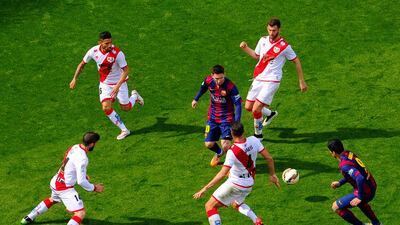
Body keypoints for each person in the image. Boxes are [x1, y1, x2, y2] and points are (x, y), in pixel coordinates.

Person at [193, 122, 280, 225]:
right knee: (236, 204)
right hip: (249, 183)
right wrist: (273, 175)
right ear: (243, 131)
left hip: (235, 183)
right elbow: (269, 158)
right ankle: (256, 220)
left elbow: (221, 174)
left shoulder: (233, 151)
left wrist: (205, 188)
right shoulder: (254, 140)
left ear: (231, 134)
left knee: (209, 206)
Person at [240, 18, 308, 140]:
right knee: (248, 107)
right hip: (259, 77)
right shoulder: (262, 40)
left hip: (272, 80)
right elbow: (256, 56)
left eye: (274, 30)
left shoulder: (285, 47)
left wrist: (301, 81)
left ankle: (258, 135)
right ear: (267, 28)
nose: (272, 33)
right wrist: (245, 48)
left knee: (256, 109)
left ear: (279, 30)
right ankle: (270, 113)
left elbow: (296, 61)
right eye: (270, 30)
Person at [69, 31, 144, 140]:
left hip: (120, 83)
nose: (110, 45)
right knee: (106, 107)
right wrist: (74, 78)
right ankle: (124, 130)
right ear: (100, 42)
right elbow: (82, 65)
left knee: (126, 108)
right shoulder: (93, 51)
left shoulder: (118, 53)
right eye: (106, 43)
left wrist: (117, 86)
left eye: (111, 43)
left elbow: (126, 70)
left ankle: (135, 96)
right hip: (105, 84)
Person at [20, 132, 104, 225]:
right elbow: (81, 181)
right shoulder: (83, 158)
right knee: (80, 213)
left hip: (56, 181)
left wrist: (83, 174)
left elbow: (67, 161)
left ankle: (28, 218)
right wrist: (95, 187)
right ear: (92, 144)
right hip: (64, 188)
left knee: (53, 199)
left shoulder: (75, 147)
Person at [192, 65, 242, 167]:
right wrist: (196, 99)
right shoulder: (209, 80)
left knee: (226, 145)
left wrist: (236, 122)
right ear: (212, 76)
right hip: (212, 117)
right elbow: (202, 89)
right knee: (209, 144)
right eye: (216, 79)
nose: (218, 81)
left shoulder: (231, 87)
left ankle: (230, 167)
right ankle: (219, 153)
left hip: (227, 118)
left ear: (224, 75)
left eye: (221, 78)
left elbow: (238, 104)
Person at [327, 139, 382, 225]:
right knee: (361, 203)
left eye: (330, 151)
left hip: (365, 191)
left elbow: (359, 178)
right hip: (371, 184)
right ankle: (376, 223)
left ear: (334, 152)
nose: (330, 153)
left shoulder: (344, 165)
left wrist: (359, 196)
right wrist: (340, 183)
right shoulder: (349, 153)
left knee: (336, 207)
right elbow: (354, 173)